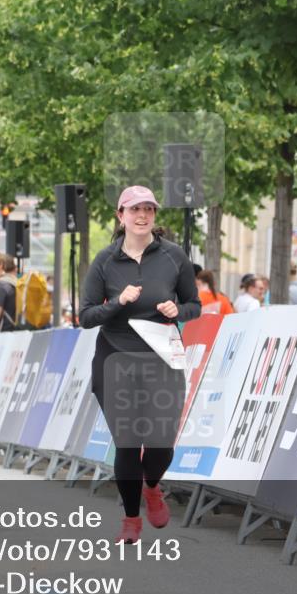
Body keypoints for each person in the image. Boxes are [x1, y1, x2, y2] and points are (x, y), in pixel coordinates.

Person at [80, 185, 201, 544]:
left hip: (162, 358)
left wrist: (178, 311)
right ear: (121, 216)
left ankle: (151, 487)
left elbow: (194, 304)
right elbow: (86, 316)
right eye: (134, 210)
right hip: (115, 359)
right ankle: (131, 520)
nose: (142, 215)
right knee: (129, 444)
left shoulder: (173, 256)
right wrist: (117, 302)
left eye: (148, 209)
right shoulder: (105, 261)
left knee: (162, 444)